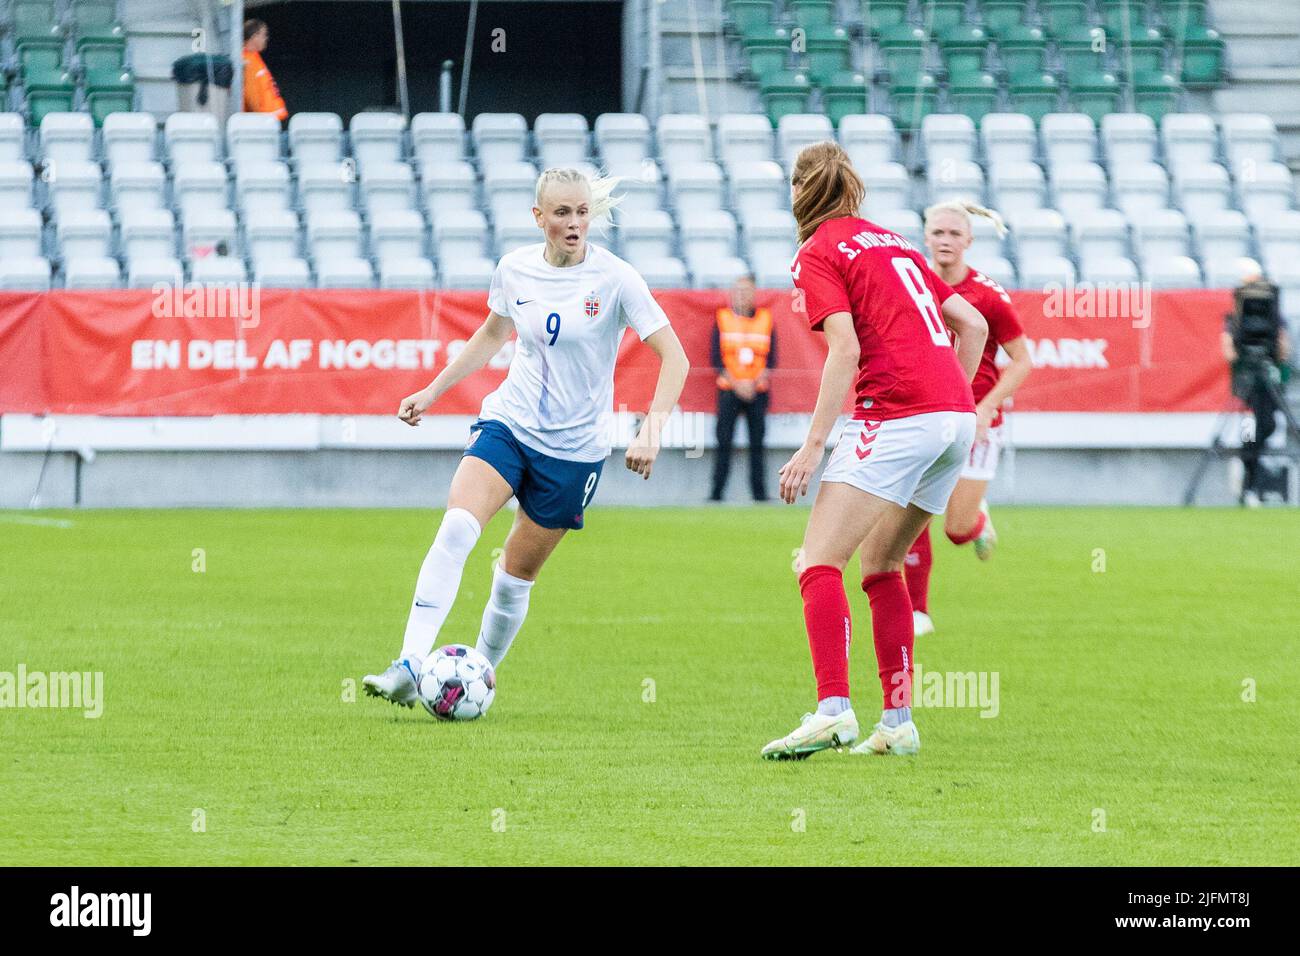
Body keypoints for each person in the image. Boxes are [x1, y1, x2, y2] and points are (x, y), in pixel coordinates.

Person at [363, 168, 689, 706]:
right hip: (510, 426)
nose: (574, 223)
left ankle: (474, 679)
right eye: (562, 213)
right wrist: (433, 391)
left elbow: (674, 356)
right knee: (456, 530)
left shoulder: (616, 279)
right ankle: (408, 662)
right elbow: (493, 332)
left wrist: (650, 432)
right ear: (538, 218)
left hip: (574, 453)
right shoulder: (514, 270)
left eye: (582, 212)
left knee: (514, 578)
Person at [760, 142, 987, 760]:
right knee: (883, 566)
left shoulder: (818, 252)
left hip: (898, 414)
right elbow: (974, 325)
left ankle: (834, 710)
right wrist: (951, 401)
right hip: (954, 418)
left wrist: (812, 446)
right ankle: (898, 722)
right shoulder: (895, 243)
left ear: (800, 193)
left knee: (816, 561)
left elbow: (845, 349)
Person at [904, 200, 1033, 637]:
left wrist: (986, 405)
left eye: (954, 234)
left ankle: (977, 521)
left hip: (975, 420)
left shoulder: (988, 296)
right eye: (938, 232)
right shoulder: (911, 285)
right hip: (923, 413)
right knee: (910, 507)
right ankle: (917, 611)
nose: (945, 240)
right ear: (925, 237)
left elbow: (1021, 361)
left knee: (956, 530)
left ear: (969, 242)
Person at [1222, 259, 1292, 507]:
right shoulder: (1234, 318)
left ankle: (1249, 467)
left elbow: (1284, 351)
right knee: (1253, 427)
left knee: (1267, 425)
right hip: (1247, 380)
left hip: (1266, 379)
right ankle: (1248, 478)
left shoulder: (1273, 316)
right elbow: (1228, 351)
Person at [710, 273, 777, 502]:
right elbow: (716, 360)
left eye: (747, 291)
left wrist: (753, 383)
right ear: (731, 294)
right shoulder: (722, 319)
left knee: (757, 445)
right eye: (738, 291)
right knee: (723, 443)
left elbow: (772, 360)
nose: (742, 295)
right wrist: (738, 384)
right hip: (729, 390)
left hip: (757, 392)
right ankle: (716, 494)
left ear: (754, 294)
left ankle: (759, 495)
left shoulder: (766, 319)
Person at [242, 19, 288, 121]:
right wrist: (261, 123)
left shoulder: (254, 56)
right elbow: (251, 97)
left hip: (269, 121)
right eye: (264, 35)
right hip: (263, 124)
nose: (266, 38)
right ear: (254, 37)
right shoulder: (246, 61)